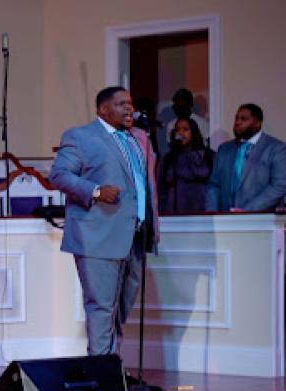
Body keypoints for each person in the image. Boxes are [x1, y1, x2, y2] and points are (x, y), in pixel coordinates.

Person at [50, 86, 158, 357]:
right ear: (103, 110)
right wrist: (96, 191)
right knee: (101, 308)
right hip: (97, 235)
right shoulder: (81, 136)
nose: (129, 108)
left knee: (120, 310)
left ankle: (112, 370)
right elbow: (59, 175)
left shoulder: (140, 138)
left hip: (135, 235)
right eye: (122, 104)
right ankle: (101, 378)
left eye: (131, 103)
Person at [206, 104, 286, 213]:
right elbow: (214, 185)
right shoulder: (225, 149)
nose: (237, 122)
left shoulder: (276, 148)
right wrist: (212, 214)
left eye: (243, 119)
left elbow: (279, 186)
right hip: (226, 221)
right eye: (236, 118)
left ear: (257, 123)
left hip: (262, 221)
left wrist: (248, 210)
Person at [158, 116, 213, 213]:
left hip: (201, 211)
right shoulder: (168, 159)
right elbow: (161, 189)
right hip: (174, 213)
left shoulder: (207, 156)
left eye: (185, 129)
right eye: (177, 130)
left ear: (193, 132)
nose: (180, 133)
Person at [159, 88, 210, 155]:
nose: (177, 107)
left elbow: (207, 145)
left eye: (181, 103)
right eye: (176, 104)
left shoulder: (202, 123)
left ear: (189, 104)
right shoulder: (171, 125)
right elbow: (171, 146)